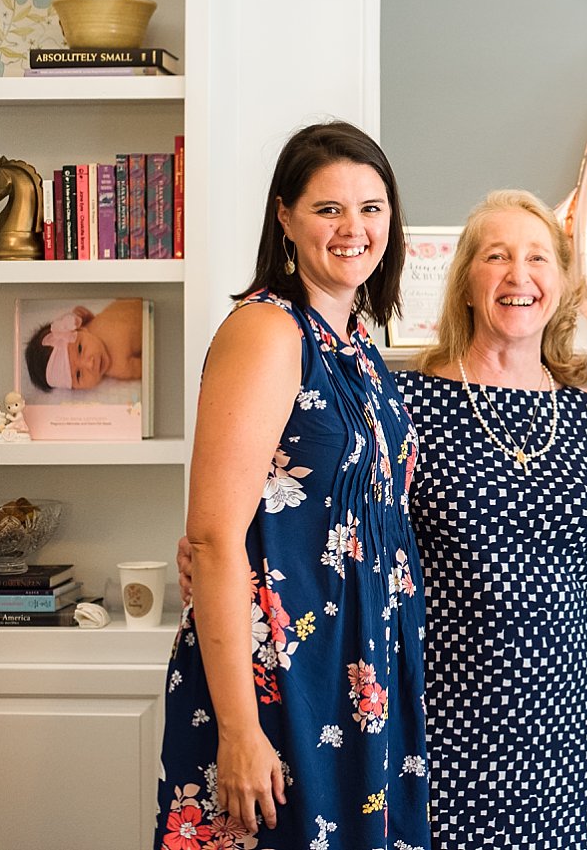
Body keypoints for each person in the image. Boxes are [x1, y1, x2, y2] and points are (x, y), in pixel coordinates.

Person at [153, 121, 430, 848]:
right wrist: (240, 730)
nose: (354, 228)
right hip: (280, 676)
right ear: (284, 216)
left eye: (371, 207)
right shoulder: (269, 331)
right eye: (328, 208)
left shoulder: (360, 343)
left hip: (359, 667)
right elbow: (213, 536)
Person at [396, 189, 587, 849]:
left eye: (538, 258)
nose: (520, 275)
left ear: (558, 284)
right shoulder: (405, 403)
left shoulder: (586, 419)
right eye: (497, 256)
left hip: (564, 722)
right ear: (466, 280)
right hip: (445, 710)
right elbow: (350, 541)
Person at [24, 297, 145, 391]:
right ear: (76, 389)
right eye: (78, 375)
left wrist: (86, 317)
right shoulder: (119, 366)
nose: (90, 363)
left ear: (81, 329)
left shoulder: (89, 325)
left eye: (80, 349)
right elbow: (146, 365)